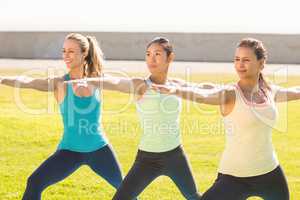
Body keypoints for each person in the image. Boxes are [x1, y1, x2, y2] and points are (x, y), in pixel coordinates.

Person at [66, 37, 210, 199]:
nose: (151, 59)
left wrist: (232, 89)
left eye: (157, 54)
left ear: (170, 58)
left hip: (175, 156)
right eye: (148, 54)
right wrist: (89, 81)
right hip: (147, 159)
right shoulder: (141, 86)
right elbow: (114, 82)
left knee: (193, 196)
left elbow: (203, 89)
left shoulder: (177, 84)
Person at [151, 38, 294, 200]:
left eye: (246, 60)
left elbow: (295, 91)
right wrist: (175, 90)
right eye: (237, 59)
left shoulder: (269, 92)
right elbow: (204, 95)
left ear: (261, 64)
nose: (240, 64)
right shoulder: (230, 94)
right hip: (233, 177)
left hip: (270, 173)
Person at [0, 33, 124, 200]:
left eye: (71, 51)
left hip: (99, 149)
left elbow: (126, 84)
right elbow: (29, 82)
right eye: (64, 51)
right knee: (35, 182)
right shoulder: (60, 84)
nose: (66, 55)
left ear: (84, 53)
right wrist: (2, 79)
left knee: (127, 190)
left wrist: (159, 85)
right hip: (69, 151)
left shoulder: (98, 80)